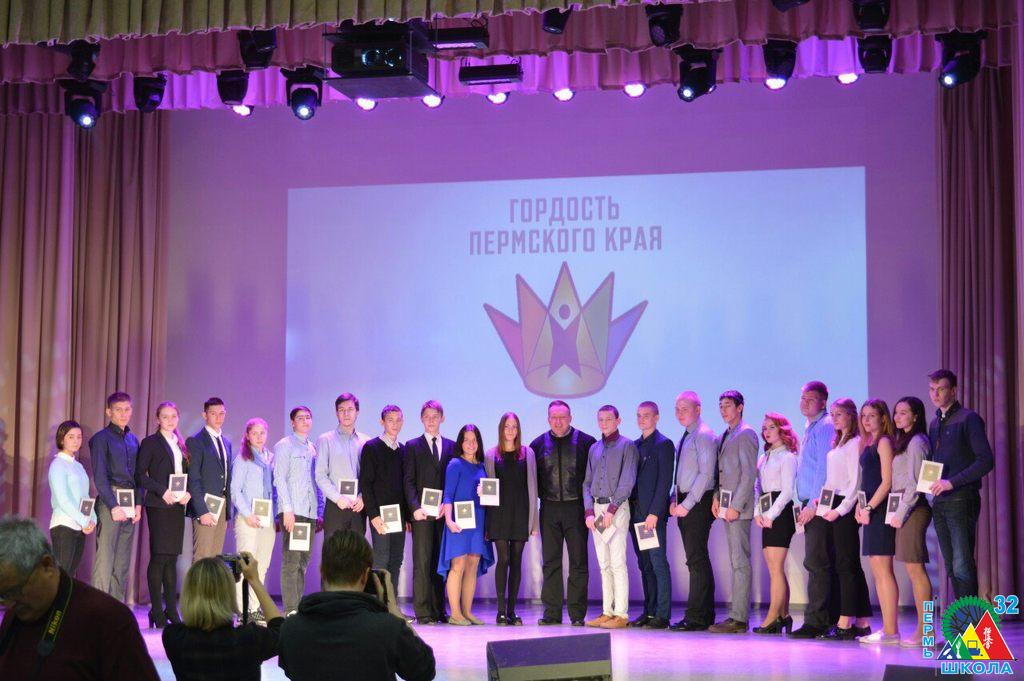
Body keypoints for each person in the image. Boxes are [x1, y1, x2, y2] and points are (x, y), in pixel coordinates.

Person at [0, 516, 160, 681]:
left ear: (46, 565)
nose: (9, 604)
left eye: (15, 591)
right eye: (3, 596)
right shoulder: (16, 615)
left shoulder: (110, 620)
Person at [278, 530, 435, 681]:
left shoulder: (291, 629)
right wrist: (394, 611)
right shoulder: (388, 628)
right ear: (366, 576)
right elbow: (425, 670)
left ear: (322, 571)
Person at [926, 369, 994, 599]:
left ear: (953, 391)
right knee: (952, 568)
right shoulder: (934, 423)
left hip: (961, 498)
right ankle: (961, 618)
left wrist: (952, 483)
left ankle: (971, 621)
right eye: (932, 389)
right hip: (940, 502)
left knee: (962, 566)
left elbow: (985, 461)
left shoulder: (968, 418)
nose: (935, 394)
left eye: (941, 389)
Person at [163, 552, 283, 681]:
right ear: (228, 594)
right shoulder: (249, 639)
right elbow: (281, 632)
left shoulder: (174, 637)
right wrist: (254, 580)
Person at [530, 400, 596, 626]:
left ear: (570, 418)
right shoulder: (537, 445)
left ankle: (577, 615)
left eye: (562, 417)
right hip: (549, 509)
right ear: (548, 419)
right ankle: (552, 613)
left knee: (579, 562)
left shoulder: (587, 442)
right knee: (550, 562)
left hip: (576, 508)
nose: (558, 422)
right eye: (554, 417)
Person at [817, 397, 872, 641]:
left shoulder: (855, 443)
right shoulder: (838, 442)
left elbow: (854, 483)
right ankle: (862, 620)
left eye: (839, 414)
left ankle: (845, 621)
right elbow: (832, 481)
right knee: (848, 563)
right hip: (834, 503)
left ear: (851, 415)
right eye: (832, 414)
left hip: (846, 506)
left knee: (846, 564)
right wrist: (822, 502)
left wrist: (840, 510)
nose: (834, 418)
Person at [790, 381, 840, 639]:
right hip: (809, 503)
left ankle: (817, 622)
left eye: (811, 398)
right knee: (818, 561)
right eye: (803, 398)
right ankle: (825, 619)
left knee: (817, 562)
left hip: (818, 504)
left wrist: (812, 504)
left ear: (823, 402)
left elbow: (823, 468)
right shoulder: (811, 426)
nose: (805, 402)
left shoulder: (826, 426)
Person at [136, 401, 193, 628]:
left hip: (177, 506)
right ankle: (157, 611)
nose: (170, 420)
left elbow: (183, 475)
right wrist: (163, 491)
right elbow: (140, 475)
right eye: (165, 417)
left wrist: (187, 492)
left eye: (173, 416)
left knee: (171, 558)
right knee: (159, 557)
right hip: (159, 505)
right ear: (157, 419)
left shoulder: (180, 444)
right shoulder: (150, 442)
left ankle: (171, 610)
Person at [583, 405, 639, 630]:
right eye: (601, 419)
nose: (604, 423)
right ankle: (607, 611)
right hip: (597, 509)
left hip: (616, 509)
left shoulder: (628, 446)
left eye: (608, 419)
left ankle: (621, 614)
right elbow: (587, 482)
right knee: (604, 564)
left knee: (617, 563)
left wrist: (612, 509)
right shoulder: (594, 448)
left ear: (618, 421)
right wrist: (589, 512)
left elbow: (627, 480)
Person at [708, 390, 758, 634]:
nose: (723, 410)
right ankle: (736, 615)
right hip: (727, 506)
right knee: (735, 561)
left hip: (739, 509)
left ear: (740, 407)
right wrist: (717, 498)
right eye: (721, 405)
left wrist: (736, 506)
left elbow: (749, 474)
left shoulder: (746, 433)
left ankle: (739, 618)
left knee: (740, 562)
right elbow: (722, 473)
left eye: (728, 405)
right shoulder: (725, 435)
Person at [668, 391, 718, 631]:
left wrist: (686, 505)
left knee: (696, 560)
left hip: (697, 503)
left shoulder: (704, 435)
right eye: (677, 409)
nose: (679, 413)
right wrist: (674, 498)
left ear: (698, 409)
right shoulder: (687, 435)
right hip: (685, 501)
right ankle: (702, 614)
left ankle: (697, 616)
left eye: (684, 409)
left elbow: (706, 475)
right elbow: (682, 473)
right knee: (696, 559)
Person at [403, 400, 455, 624]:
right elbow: (408, 480)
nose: (431, 420)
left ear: (442, 418)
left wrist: (448, 505)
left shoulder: (452, 446)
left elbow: (453, 480)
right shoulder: (412, 446)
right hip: (422, 514)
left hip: (443, 513)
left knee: (440, 562)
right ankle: (423, 611)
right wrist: (414, 508)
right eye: (427, 416)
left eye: (435, 416)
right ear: (421, 419)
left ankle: (438, 609)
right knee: (422, 562)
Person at [483, 412, 537, 626]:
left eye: (514, 426)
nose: (511, 430)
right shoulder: (491, 454)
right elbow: (487, 489)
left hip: (521, 513)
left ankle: (512, 611)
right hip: (498, 515)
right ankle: (500, 611)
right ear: (501, 428)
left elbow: (533, 488)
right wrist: (486, 523)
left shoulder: (527, 453)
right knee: (503, 559)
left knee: (516, 561)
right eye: (507, 426)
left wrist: (534, 522)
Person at [888, 396, 934, 648]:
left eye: (904, 412)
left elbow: (917, 484)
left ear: (916, 416)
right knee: (913, 570)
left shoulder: (917, 442)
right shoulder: (905, 440)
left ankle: (925, 631)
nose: (898, 417)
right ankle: (924, 630)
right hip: (905, 508)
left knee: (916, 571)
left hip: (914, 509)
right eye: (896, 412)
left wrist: (901, 512)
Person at [438, 424, 494, 625]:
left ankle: (467, 612)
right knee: (458, 566)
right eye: (467, 440)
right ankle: (455, 614)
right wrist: (449, 520)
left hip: (478, 521)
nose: (471, 444)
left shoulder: (482, 466)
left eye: (474, 440)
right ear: (461, 443)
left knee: (472, 566)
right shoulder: (455, 464)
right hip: (458, 522)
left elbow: (488, 496)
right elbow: (448, 495)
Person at [89, 391, 142, 600]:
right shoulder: (100, 439)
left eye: (127, 409)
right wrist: (113, 505)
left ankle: (116, 604)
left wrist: (138, 504)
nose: (123, 414)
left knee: (122, 558)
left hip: (130, 501)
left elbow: (138, 476)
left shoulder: (133, 440)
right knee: (105, 555)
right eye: (118, 410)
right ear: (108, 412)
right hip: (110, 499)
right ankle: (98, 605)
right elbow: (100, 476)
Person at [855, 399, 899, 645]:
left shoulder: (883, 442)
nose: (866, 420)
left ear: (883, 417)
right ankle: (888, 630)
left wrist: (870, 506)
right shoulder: (868, 443)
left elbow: (887, 481)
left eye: (871, 415)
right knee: (878, 571)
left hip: (880, 511)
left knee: (883, 570)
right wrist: (860, 506)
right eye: (864, 416)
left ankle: (891, 631)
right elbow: (867, 480)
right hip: (870, 510)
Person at [627, 401, 674, 629]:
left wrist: (655, 512)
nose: (641, 419)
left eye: (646, 415)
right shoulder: (634, 445)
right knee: (644, 564)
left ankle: (662, 614)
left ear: (656, 417)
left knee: (657, 563)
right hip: (635, 513)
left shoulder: (663, 444)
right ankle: (649, 610)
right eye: (639, 415)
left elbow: (665, 482)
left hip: (650, 516)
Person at [274, 406, 324, 616]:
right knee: (292, 560)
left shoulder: (312, 448)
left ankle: (297, 606)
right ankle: (290, 609)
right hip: (294, 512)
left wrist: (319, 511)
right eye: (300, 418)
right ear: (292, 423)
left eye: (308, 417)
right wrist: (287, 510)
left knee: (303, 561)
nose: (305, 421)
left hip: (309, 512)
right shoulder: (284, 446)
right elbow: (279, 478)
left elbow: (317, 481)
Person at [752, 413, 799, 634]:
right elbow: (757, 487)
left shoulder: (788, 457)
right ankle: (784, 615)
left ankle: (772, 617)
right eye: (764, 428)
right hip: (766, 509)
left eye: (772, 427)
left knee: (776, 568)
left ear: (782, 429)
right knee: (773, 568)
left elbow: (788, 492)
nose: (767, 432)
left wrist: (770, 515)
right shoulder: (764, 457)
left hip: (780, 513)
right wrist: (757, 512)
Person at [231, 417, 277, 622]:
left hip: (267, 520)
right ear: (247, 435)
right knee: (245, 566)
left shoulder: (271, 458)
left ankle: (255, 608)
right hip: (247, 519)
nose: (259, 437)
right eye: (255, 433)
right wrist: (247, 514)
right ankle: (243, 611)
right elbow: (235, 490)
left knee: (262, 566)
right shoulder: (243, 458)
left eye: (262, 433)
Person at [360, 405, 409, 596]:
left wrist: (407, 517)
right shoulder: (371, 447)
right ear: (382, 422)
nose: (395, 424)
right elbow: (366, 484)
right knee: (381, 559)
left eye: (398, 420)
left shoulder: (403, 450)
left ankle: (391, 604)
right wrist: (373, 515)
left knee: (396, 559)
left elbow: (404, 486)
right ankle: (379, 604)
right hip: (380, 515)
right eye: (390, 420)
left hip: (399, 516)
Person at [315, 393, 370, 539]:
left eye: (350, 409)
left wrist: (363, 497)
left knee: (357, 551)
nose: (346, 413)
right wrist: (338, 498)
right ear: (336, 413)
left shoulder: (366, 441)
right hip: (335, 505)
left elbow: (370, 477)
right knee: (334, 551)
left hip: (358, 506)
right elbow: (320, 475)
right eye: (341, 410)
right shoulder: (325, 440)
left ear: (357, 412)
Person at [48, 420, 97, 577]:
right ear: (62, 439)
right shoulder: (58, 464)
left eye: (79, 437)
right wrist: (84, 521)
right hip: (64, 525)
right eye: (71, 437)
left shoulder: (78, 466)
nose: (76, 440)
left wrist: (92, 519)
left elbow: (85, 497)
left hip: (80, 526)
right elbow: (63, 500)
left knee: (70, 576)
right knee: (61, 576)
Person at [187, 397, 233, 561]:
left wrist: (228, 510)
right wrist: (202, 510)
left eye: (222, 413)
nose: (218, 417)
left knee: (215, 557)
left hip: (222, 505)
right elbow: (193, 479)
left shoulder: (226, 442)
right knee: (202, 555)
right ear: (205, 415)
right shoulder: (196, 441)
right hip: (206, 506)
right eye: (213, 413)